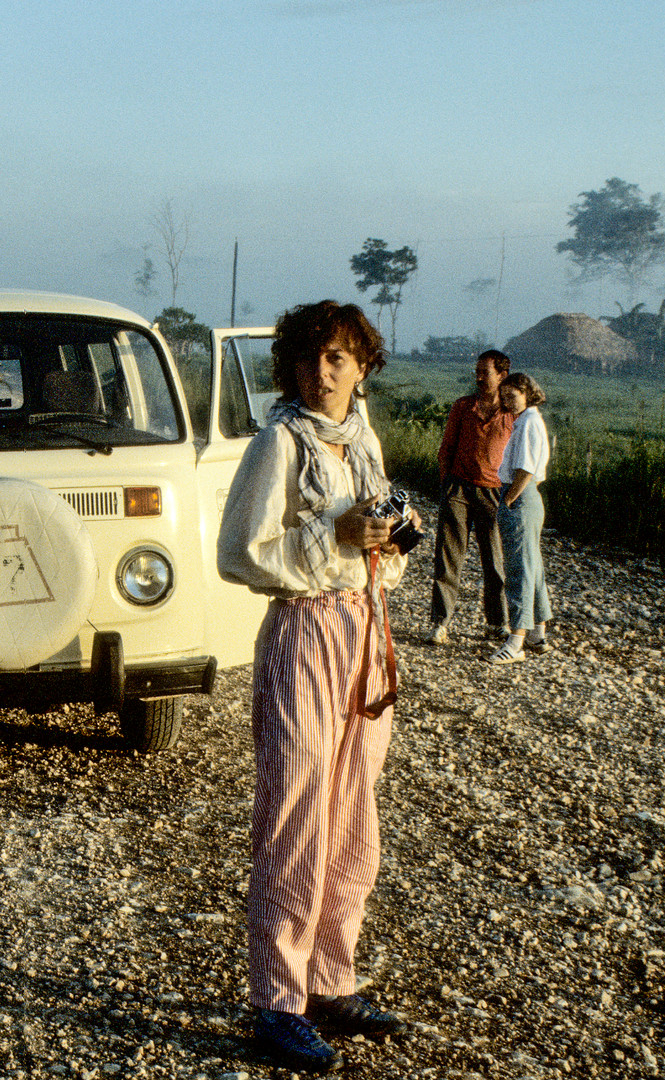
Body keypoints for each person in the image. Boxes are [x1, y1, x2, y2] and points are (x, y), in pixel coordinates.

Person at [217, 300, 414, 1074]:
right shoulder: (279, 442)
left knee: (353, 810)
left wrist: (393, 529)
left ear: (362, 365)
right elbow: (240, 552)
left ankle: (331, 977)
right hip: (303, 632)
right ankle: (276, 1000)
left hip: (365, 627)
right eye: (307, 359)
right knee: (296, 813)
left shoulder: (359, 437)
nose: (321, 372)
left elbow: (382, 517)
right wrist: (329, 536)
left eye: (336, 358)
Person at [426, 349, 514, 644]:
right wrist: (446, 486)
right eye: (476, 371)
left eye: (484, 372)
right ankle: (440, 622)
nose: (478, 377)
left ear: (502, 375)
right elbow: (446, 448)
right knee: (448, 557)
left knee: (495, 561)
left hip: (494, 492)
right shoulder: (463, 406)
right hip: (458, 488)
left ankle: (497, 622)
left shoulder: (512, 413)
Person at [489, 371, 553, 664]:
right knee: (533, 565)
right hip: (527, 498)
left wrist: (510, 499)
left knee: (519, 569)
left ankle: (516, 639)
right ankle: (538, 633)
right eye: (504, 397)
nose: (508, 402)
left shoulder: (528, 422)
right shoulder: (527, 421)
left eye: (513, 396)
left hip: (520, 496)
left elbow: (525, 469)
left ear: (527, 393)